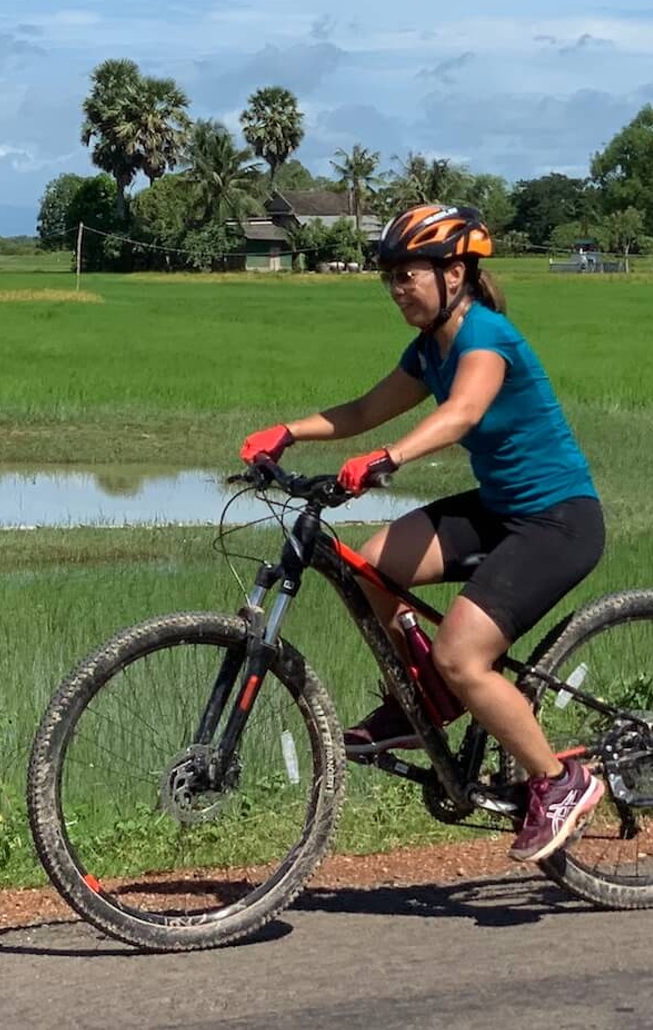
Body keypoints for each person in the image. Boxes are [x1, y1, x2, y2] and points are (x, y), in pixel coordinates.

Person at [239, 203, 607, 864]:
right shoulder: (428, 350)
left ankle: (558, 781)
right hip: (500, 509)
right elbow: (362, 408)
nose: (399, 289)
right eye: (392, 279)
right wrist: (288, 431)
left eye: (409, 274)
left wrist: (390, 458)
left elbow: (463, 413)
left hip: (558, 519)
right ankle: (430, 698)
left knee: (462, 655)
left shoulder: (485, 338)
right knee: (372, 563)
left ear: (455, 272)